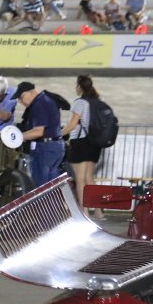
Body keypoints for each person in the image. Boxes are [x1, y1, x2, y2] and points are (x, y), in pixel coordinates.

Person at [62, 74, 105, 210]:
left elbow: (73, 124)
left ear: (79, 87)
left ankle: (84, 211)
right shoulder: (98, 101)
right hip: (94, 143)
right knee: (89, 178)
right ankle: (98, 211)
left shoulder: (79, 102)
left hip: (80, 142)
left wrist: (58, 134)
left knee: (80, 179)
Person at [11, 82, 65, 186]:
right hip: (55, 146)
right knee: (52, 187)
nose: (20, 102)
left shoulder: (39, 104)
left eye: (21, 97)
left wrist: (19, 137)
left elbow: (38, 131)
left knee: (40, 188)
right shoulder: (47, 99)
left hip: (44, 149)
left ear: (31, 92)